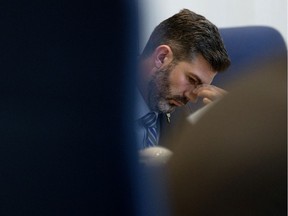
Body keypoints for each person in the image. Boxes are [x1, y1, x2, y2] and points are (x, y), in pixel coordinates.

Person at [135, 9, 231, 149]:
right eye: (192, 80)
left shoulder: (181, 113)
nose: (191, 98)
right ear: (161, 57)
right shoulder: (97, 99)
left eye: (200, 87)